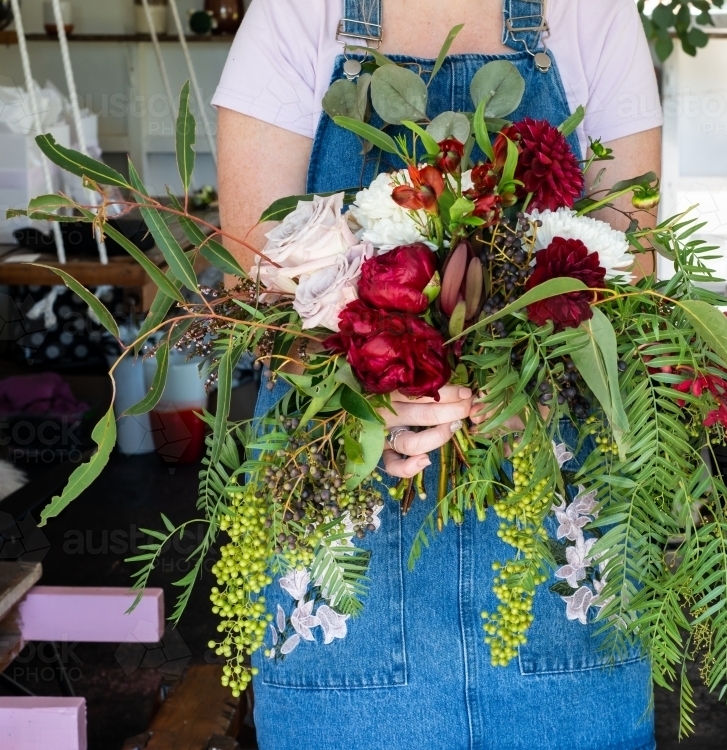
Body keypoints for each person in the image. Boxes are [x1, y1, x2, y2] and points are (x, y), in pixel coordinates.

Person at [213, 1, 662, 747]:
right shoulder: (297, 12)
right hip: (345, 565)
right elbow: (254, 292)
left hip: (553, 548)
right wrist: (363, 408)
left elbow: (630, 280)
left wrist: (532, 383)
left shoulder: (592, 12)